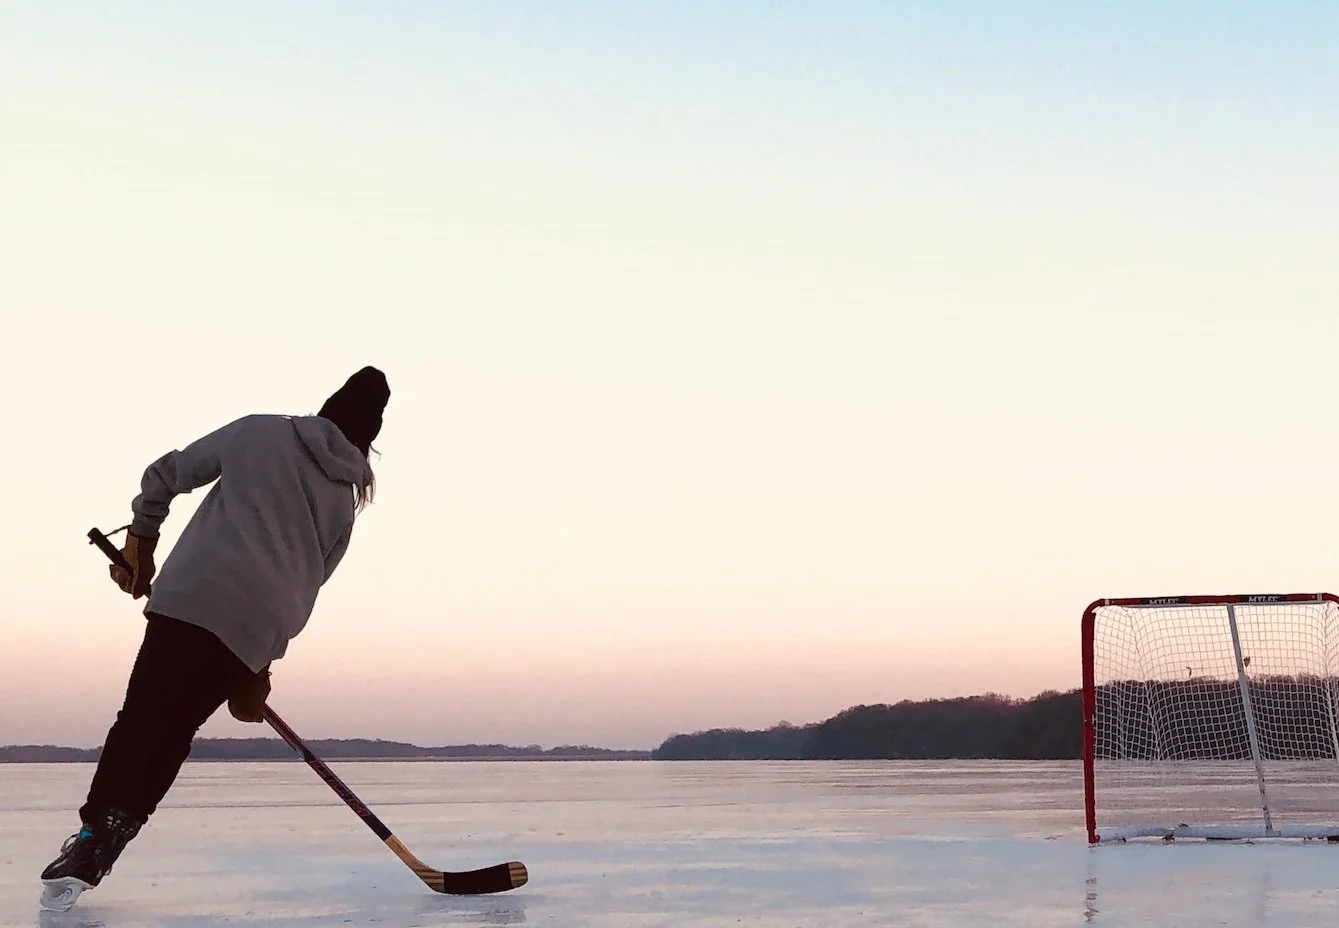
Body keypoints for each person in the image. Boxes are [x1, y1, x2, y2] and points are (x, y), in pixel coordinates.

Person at [39, 367, 390, 913]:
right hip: (253, 630)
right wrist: (261, 663)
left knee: (141, 716)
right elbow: (307, 586)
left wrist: (141, 541)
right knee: (175, 727)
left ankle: (93, 837)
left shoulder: (260, 431)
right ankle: (114, 836)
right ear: (368, 439)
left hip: (194, 594)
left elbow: (164, 475)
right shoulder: (344, 503)